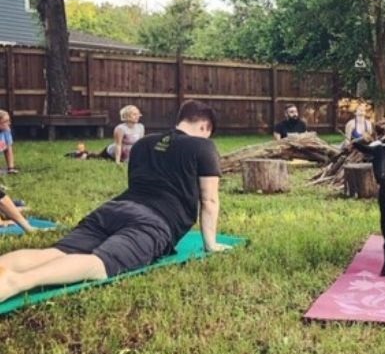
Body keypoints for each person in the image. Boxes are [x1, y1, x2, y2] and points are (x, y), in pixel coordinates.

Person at [0, 100, 229, 304]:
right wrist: (210, 244)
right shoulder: (203, 146)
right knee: (100, 264)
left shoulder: (143, 143)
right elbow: (209, 199)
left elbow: (137, 184)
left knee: (57, 251)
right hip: (153, 223)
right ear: (204, 127)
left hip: (113, 209)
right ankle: (17, 282)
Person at [0, 109, 18, 173]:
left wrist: (11, 168)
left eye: (9, 121)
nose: (9, 123)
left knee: (8, 146)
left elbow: (9, 146)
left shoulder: (6, 130)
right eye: (5, 121)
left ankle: (11, 168)